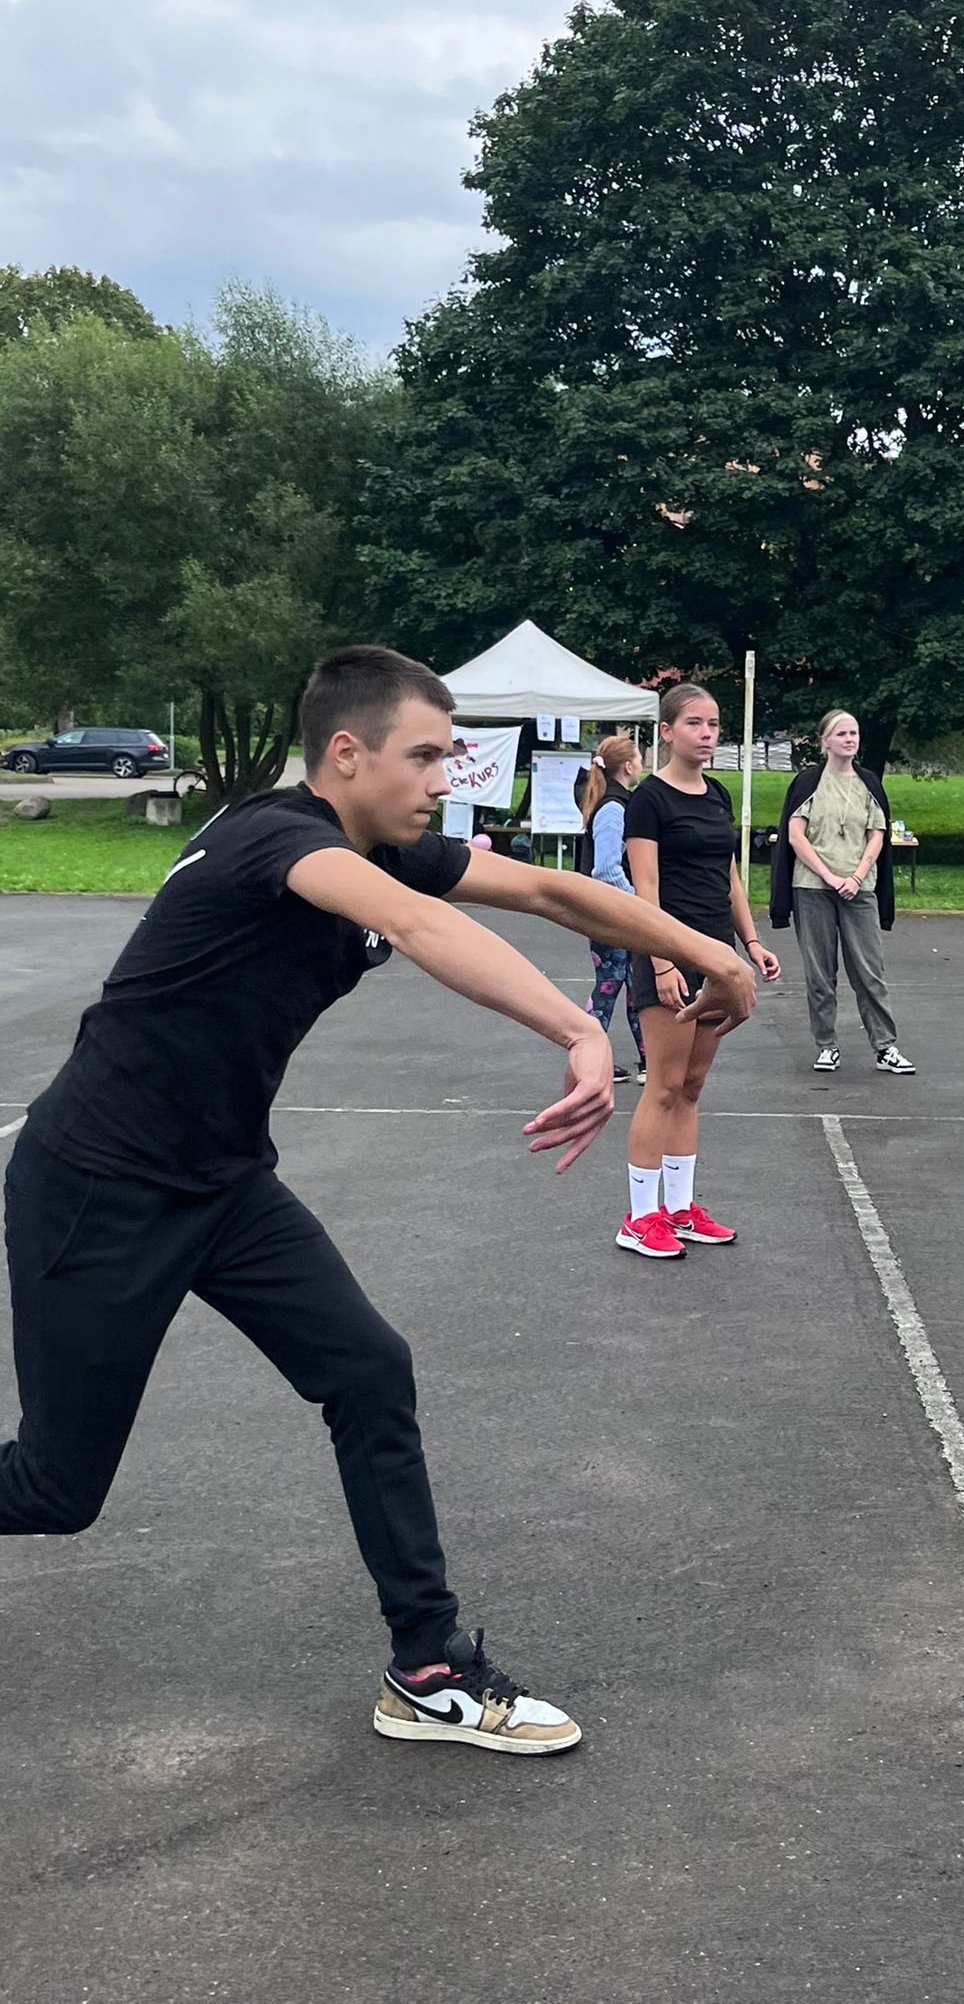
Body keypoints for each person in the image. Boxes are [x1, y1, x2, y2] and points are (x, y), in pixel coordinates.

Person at [1, 646, 757, 1755]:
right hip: (97, 1186)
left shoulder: (386, 843)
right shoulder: (280, 838)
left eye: (449, 757)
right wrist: (578, 1028)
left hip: (224, 1183)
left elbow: (552, 889)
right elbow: (415, 924)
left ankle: (430, 1667)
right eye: (426, 757)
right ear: (347, 753)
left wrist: (711, 952)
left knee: (368, 1370)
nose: (444, 780)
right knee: (55, 1488)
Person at [618, 683, 780, 1259]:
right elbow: (645, 887)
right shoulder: (648, 800)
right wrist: (661, 960)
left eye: (713, 724)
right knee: (662, 1086)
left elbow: (729, 875)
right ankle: (640, 1218)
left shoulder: (717, 794)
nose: (707, 733)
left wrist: (750, 942)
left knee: (691, 1086)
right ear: (666, 731)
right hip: (668, 953)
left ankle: (681, 1209)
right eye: (694, 723)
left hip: (717, 956)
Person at [768, 709, 914, 1075]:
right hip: (813, 887)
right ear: (825, 741)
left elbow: (877, 835)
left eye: (854, 733)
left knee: (869, 970)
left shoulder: (868, 783)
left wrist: (856, 876)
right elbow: (796, 836)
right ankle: (826, 1045)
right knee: (820, 972)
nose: (850, 739)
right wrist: (829, 876)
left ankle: (885, 1046)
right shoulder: (808, 782)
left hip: (859, 889)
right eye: (842, 734)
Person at [577, 735, 648, 1082]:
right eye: (640, 758)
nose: (643, 764)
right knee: (610, 985)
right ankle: (587, 1058)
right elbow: (605, 868)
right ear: (629, 766)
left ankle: (649, 1060)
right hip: (612, 913)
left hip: (612, 912)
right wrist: (637, 901)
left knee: (636, 984)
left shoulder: (613, 802)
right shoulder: (613, 808)